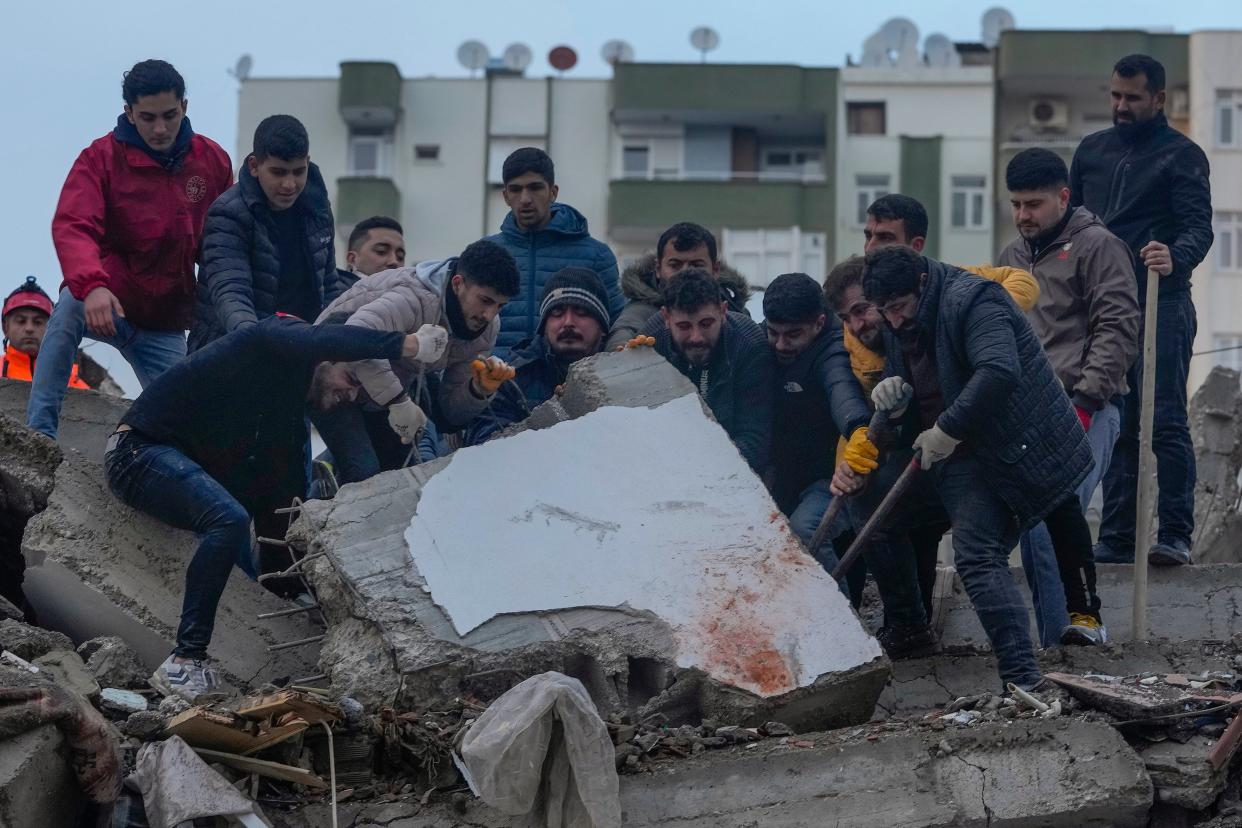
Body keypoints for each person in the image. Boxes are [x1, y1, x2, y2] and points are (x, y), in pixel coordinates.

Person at [105, 316, 423, 699]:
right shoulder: (269, 339)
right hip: (136, 452)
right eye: (351, 381)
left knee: (250, 505)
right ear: (324, 357)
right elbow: (323, 335)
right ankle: (185, 661)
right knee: (227, 519)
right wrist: (406, 345)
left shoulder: (283, 417)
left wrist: (293, 588)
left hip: (170, 462)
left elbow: (282, 507)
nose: (350, 396)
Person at [834, 245, 1093, 690]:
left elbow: (998, 372)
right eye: (884, 311)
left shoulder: (975, 300)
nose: (892, 320)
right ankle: (911, 629)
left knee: (976, 555)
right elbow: (911, 399)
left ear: (920, 283)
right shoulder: (898, 319)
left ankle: (1024, 681)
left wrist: (946, 430)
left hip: (1002, 451)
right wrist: (894, 403)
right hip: (945, 451)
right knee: (868, 509)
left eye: (897, 308)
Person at [28, 60, 231, 438]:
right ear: (129, 113)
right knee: (70, 305)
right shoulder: (100, 158)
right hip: (107, 303)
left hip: (165, 323)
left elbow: (224, 243)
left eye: (169, 115)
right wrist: (93, 285)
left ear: (184, 107)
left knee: (194, 420)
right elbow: (74, 226)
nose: (160, 128)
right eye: (147, 117)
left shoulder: (212, 161)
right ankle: (39, 434)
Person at [1070, 54, 1214, 567]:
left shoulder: (1183, 156)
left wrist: (1175, 255)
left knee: (1165, 422)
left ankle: (1174, 535)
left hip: (1163, 302)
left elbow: (1200, 228)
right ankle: (1116, 537)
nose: (1121, 106)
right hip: (1104, 310)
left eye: (1132, 97)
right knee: (1116, 421)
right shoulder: (1091, 151)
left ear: (1159, 99)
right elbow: (1074, 227)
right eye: (1115, 95)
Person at [999, 148, 1141, 646]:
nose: (1022, 216)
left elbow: (1118, 328)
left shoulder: (1099, 246)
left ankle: (1077, 633)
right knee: (1024, 531)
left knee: (1047, 523)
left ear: (1063, 197)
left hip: (1087, 411)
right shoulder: (1011, 258)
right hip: (1024, 420)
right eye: (1015, 204)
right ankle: (1054, 643)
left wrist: (1083, 402)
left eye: (1033, 204)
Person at [312, 239, 519, 485]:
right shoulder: (413, 297)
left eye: (500, 306)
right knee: (363, 472)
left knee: (402, 478)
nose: (489, 315)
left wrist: (478, 391)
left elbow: (450, 415)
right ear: (457, 284)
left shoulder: (487, 328)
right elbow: (356, 338)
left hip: (385, 393)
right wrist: (397, 401)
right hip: (331, 376)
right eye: (485, 301)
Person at [762, 273, 876, 596]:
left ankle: (842, 625)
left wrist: (858, 429)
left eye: (793, 334)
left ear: (819, 322)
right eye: (774, 333)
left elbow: (842, 391)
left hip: (834, 476)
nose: (782, 345)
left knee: (806, 531)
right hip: (779, 475)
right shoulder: (758, 342)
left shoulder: (834, 349)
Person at [189, 115, 335, 352]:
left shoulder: (318, 208)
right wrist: (255, 344)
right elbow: (230, 291)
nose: (289, 184)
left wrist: (334, 345)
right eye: (278, 172)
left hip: (302, 350)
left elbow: (328, 285)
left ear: (308, 163)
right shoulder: (227, 213)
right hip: (230, 353)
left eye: (298, 172)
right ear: (255, 166)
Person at [638, 269, 775, 473]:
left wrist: (700, 468)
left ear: (723, 311)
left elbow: (755, 438)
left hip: (735, 467)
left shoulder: (750, 345)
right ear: (666, 317)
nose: (696, 337)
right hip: (666, 464)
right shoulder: (651, 343)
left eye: (706, 324)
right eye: (684, 326)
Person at [486, 147, 622, 352]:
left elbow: (616, 327)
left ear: (553, 192)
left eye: (535, 188)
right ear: (505, 196)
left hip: (573, 380)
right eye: (516, 190)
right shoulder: (487, 254)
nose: (525, 199)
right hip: (498, 381)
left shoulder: (597, 256)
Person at [464, 267, 611, 446]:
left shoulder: (618, 371)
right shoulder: (512, 377)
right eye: (557, 313)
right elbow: (484, 443)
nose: (568, 322)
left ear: (602, 325)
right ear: (544, 325)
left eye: (582, 312)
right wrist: (557, 413)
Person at [605, 222, 749, 350]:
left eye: (697, 265)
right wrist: (623, 350)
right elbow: (623, 332)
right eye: (675, 265)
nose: (685, 272)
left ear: (716, 269)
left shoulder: (735, 308)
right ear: (658, 269)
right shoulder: (641, 311)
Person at [2, 277, 88, 388]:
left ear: (52, 327)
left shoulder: (71, 379)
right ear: (5, 327)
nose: (29, 328)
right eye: (21, 321)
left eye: (38, 322)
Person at [328, 216, 405, 302]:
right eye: (381, 251)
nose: (394, 261)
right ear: (352, 259)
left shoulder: (411, 302)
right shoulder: (332, 298)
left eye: (400, 256)